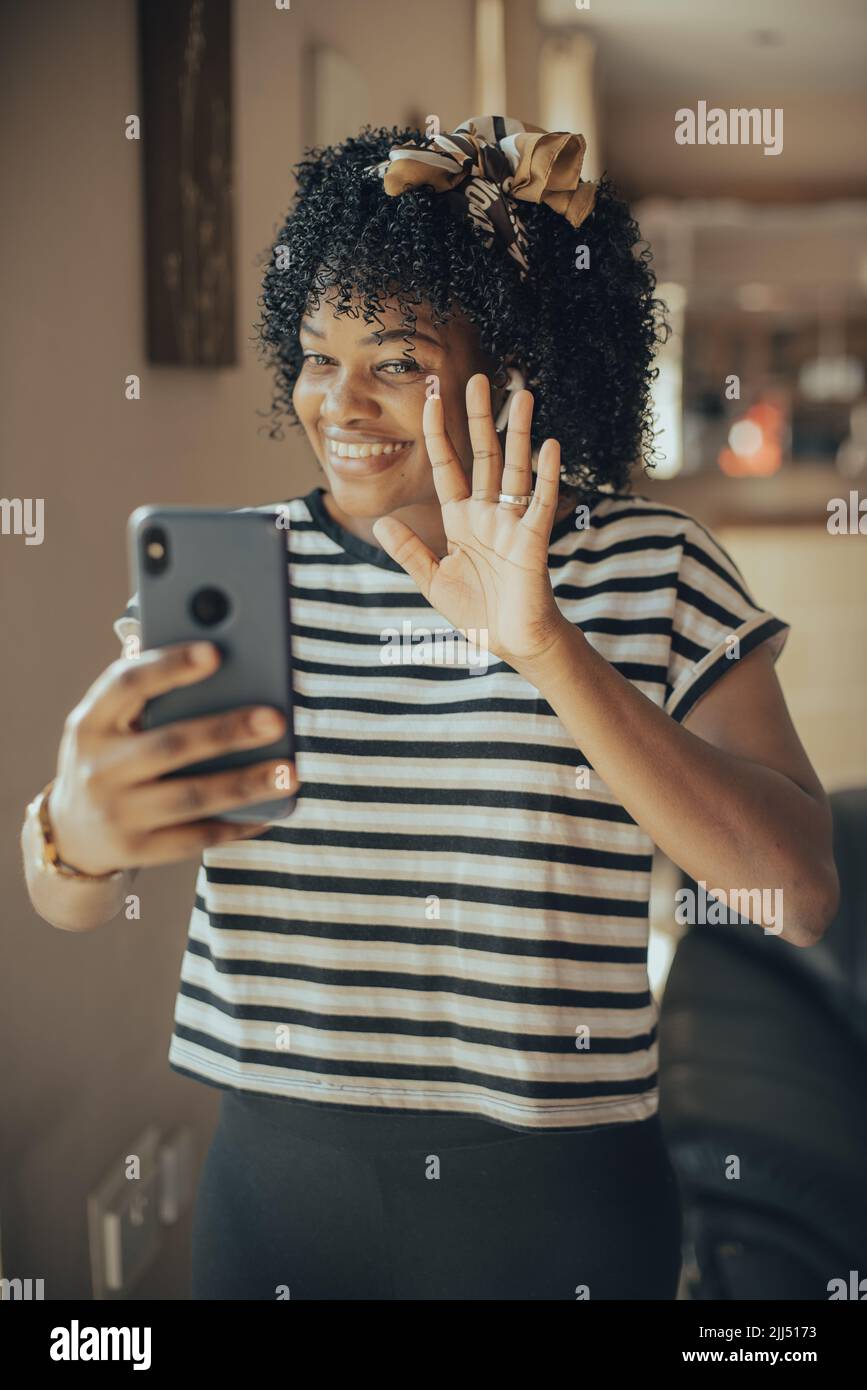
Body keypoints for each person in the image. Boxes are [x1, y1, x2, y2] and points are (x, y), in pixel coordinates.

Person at [22, 116, 839, 1300]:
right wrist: (72, 838)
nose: (341, 402)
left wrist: (547, 646)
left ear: (516, 366)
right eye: (316, 355)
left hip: (559, 1217)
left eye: (397, 360)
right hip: (275, 1205)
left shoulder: (653, 567)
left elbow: (800, 897)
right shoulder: (237, 575)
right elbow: (68, 902)